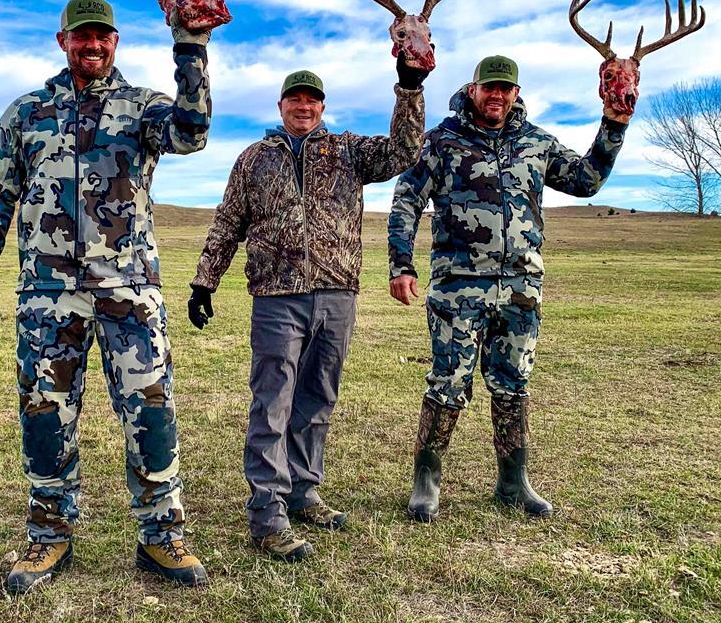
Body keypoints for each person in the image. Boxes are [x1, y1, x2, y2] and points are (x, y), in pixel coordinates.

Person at [0, 0, 216, 592]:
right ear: (64, 42)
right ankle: (49, 534)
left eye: (103, 36)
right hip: (48, 294)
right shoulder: (26, 113)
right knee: (45, 414)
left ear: (116, 41)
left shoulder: (143, 107)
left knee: (151, 412)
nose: (93, 45)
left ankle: (161, 535)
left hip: (130, 290)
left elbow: (191, 133)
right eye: (82, 36)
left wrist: (191, 47)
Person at [187, 58, 426, 560]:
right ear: (280, 105)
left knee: (317, 399)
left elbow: (404, 150)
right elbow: (228, 222)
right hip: (277, 297)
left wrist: (409, 86)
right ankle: (268, 514)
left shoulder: (348, 151)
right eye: (294, 98)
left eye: (311, 99)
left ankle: (303, 491)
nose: (303, 106)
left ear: (322, 107)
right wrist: (205, 282)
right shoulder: (254, 160)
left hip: (337, 294)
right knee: (272, 403)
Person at [387, 54, 635, 522]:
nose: (497, 96)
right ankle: (426, 481)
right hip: (458, 287)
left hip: (521, 287)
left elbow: (586, 181)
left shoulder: (537, 143)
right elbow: (406, 201)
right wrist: (402, 264)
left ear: (516, 93)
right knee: (447, 382)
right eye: (489, 88)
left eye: (506, 89)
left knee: (513, 383)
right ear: (474, 89)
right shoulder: (441, 141)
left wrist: (613, 123)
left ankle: (513, 482)